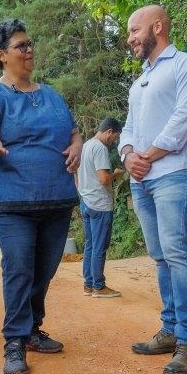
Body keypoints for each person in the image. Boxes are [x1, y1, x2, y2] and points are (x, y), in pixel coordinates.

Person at [0, 19, 82, 374]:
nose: (29, 50)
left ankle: (32, 328)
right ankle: (14, 342)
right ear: (2, 55)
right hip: (13, 202)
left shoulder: (51, 95)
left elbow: (74, 130)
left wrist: (78, 145)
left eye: (30, 44)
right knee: (18, 269)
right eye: (21, 46)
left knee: (44, 271)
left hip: (56, 200)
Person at [121, 5, 187, 374]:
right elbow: (127, 128)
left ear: (157, 26)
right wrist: (128, 157)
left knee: (176, 252)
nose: (130, 38)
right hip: (141, 178)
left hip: (174, 172)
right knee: (159, 256)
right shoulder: (139, 81)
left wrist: (148, 155)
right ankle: (171, 328)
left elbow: (186, 120)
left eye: (134, 30)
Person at [78, 118, 124, 298]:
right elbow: (104, 179)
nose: (114, 141)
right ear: (109, 131)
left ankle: (88, 285)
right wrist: (117, 174)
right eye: (115, 137)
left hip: (86, 201)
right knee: (99, 246)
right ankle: (99, 286)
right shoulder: (99, 148)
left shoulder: (85, 146)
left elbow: (76, 174)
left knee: (90, 245)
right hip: (100, 204)